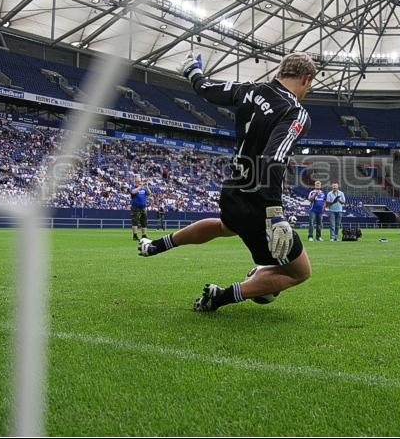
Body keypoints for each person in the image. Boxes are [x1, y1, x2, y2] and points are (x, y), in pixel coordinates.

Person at [138, 51, 316, 313]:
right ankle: (220, 296)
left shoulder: (248, 89)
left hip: (233, 188)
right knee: (298, 272)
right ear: (306, 78)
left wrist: (193, 73)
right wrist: (275, 213)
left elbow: (207, 90)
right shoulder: (295, 112)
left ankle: (156, 245)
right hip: (258, 200)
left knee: (226, 226)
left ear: (280, 72)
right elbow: (273, 157)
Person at [130, 176, 149, 241]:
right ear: (135, 182)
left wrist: (147, 187)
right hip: (136, 208)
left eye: (140, 181)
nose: (139, 182)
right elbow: (133, 192)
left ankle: (144, 235)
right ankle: (135, 235)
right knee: (135, 222)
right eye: (138, 181)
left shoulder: (143, 189)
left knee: (144, 222)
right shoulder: (133, 188)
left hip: (143, 207)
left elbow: (149, 193)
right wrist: (139, 187)